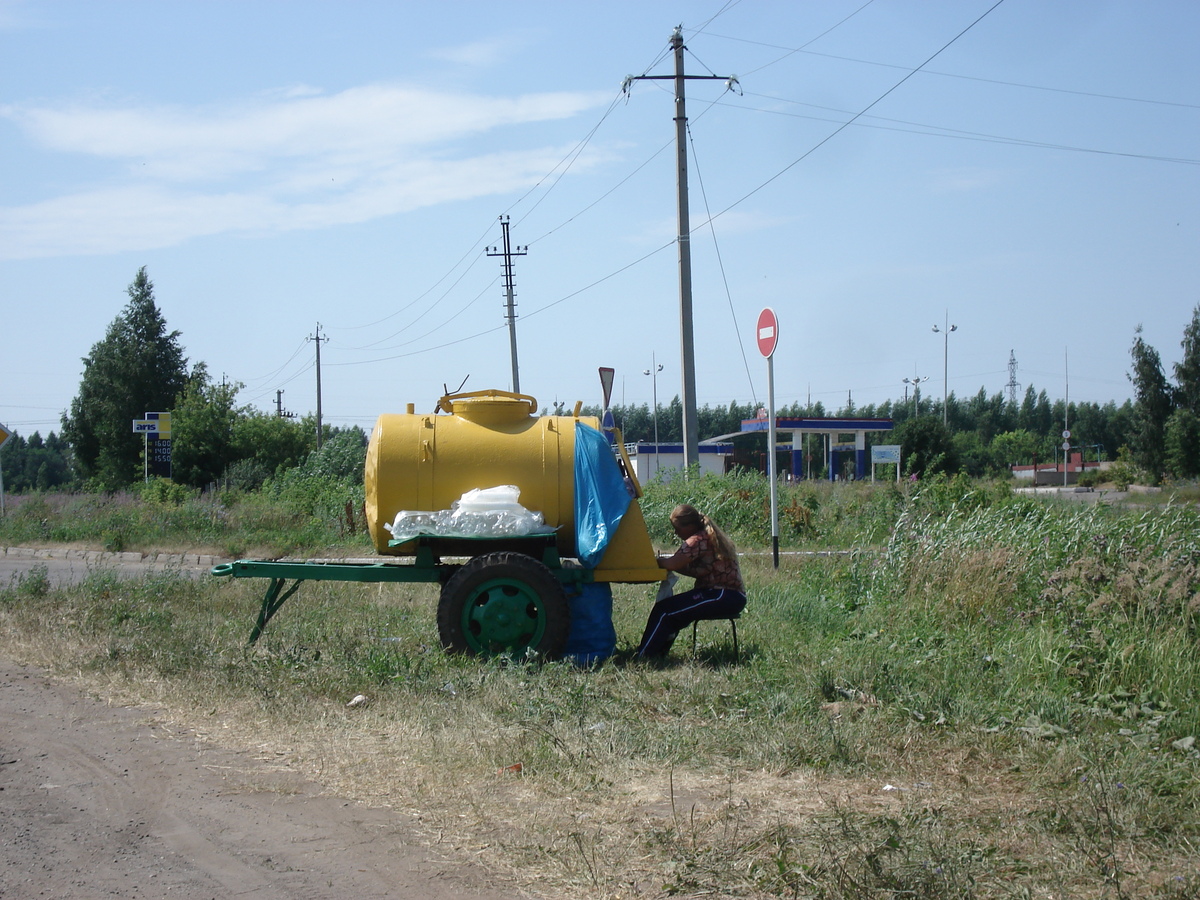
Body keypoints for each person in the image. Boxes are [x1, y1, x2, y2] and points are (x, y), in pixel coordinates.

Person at [636, 504, 746, 659]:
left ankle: (644, 656)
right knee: (671, 612)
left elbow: (673, 564)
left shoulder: (697, 540)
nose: (676, 533)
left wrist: (653, 561)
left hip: (720, 595)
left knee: (664, 611)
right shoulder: (708, 536)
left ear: (690, 526)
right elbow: (691, 569)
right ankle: (656, 654)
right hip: (731, 596)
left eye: (677, 529)